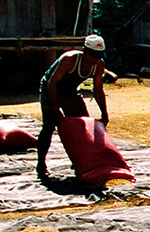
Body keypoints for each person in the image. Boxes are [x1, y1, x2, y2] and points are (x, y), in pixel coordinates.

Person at [37, 34, 109, 179]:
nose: (95, 59)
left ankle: (80, 162)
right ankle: (41, 164)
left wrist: (104, 113)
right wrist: (55, 108)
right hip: (51, 88)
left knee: (84, 127)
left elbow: (98, 90)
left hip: (70, 92)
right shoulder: (70, 59)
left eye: (98, 55)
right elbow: (52, 83)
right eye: (93, 55)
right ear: (85, 51)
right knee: (49, 126)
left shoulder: (99, 65)